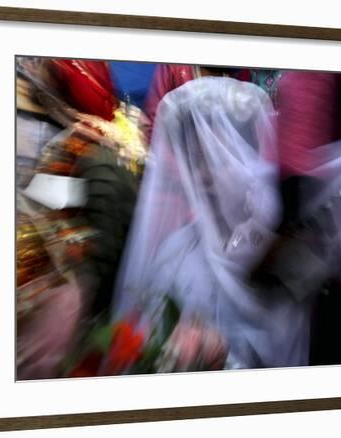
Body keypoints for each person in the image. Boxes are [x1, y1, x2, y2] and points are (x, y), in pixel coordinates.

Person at [112, 77, 313, 369]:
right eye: (195, 160)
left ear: (251, 158)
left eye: (217, 159)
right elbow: (145, 342)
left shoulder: (274, 256)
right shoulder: (176, 252)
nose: (202, 176)